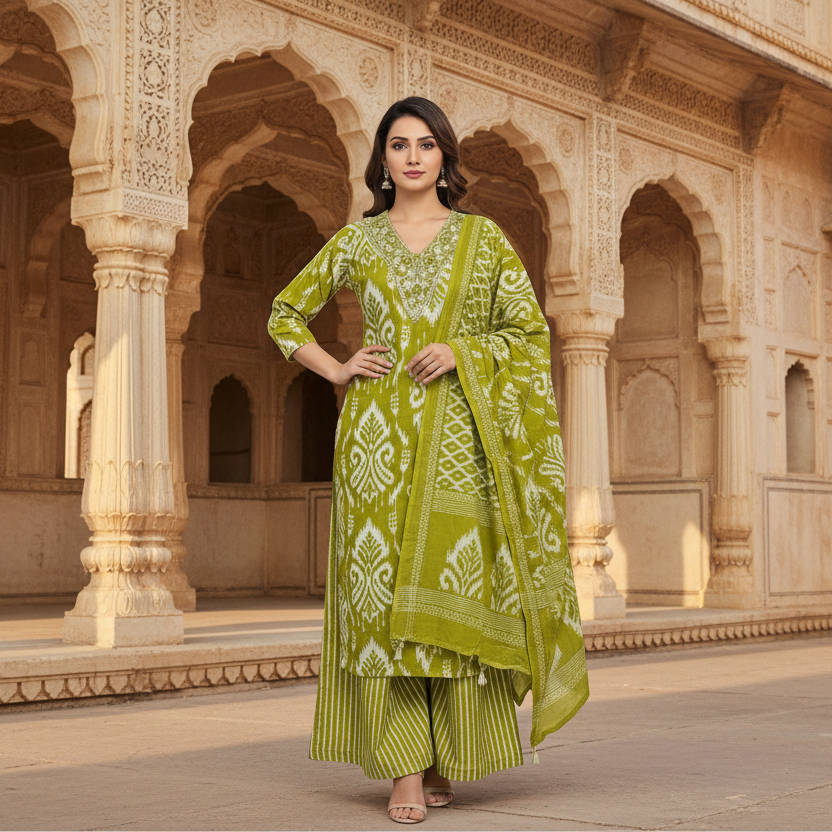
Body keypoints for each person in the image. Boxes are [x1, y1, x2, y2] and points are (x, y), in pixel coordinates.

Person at [268, 96, 588, 824]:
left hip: (461, 446)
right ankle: (404, 770)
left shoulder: (484, 240)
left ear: (445, 157)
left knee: (451, 592)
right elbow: (284, 314)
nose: (413, 156)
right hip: (377, 442)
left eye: (427, 144)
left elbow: (528, 334)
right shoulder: (358, 243)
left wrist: (464, 351)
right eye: (399, 145)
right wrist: (340, 368)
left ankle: (449, 754)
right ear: (381, 159)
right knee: (382, 603)